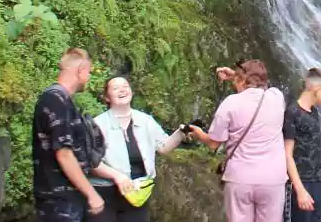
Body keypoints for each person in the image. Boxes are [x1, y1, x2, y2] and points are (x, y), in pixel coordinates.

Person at [32, 48, 131, 221]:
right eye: (90, 72)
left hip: (68, 199)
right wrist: (92, 194)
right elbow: (64, 154)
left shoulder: (64, 101)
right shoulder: (55, 100)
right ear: (81, 70)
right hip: (57, 199)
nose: (90, 77)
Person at [190, 59, 288, 222]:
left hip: (240, 179)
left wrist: (198, 133)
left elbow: (214, 143)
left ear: (241, 80)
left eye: (236, 80)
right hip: (272, 180)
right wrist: (237, 75)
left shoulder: (230, 103)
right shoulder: (277, 97)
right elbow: (261, 83)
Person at [90, 76, 187, 221]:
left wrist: (181, 133)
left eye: (125, 86)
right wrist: (117, 176)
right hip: (105, 192)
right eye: (116, 88)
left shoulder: (145, 120)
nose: (122, 90)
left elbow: (163, 147)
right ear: (107, 97)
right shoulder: (97, 124)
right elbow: (90, 161)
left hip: (138, 192)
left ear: (131, 91)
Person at [284, 68, 321, 222]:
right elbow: (287, 154)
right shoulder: (292, 113)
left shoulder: (314, 112)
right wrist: (300, 190)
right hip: (303, 184)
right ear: (316, 89)